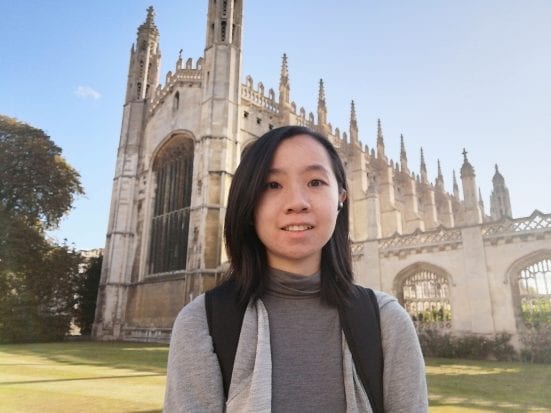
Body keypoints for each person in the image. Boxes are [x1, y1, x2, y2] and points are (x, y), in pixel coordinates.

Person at [164, 126, 428, 412]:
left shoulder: (386, 322)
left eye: (315, 182)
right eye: (272, 185)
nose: (297, 203)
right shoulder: (201, 323)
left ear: (341, 198)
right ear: (248, 202)